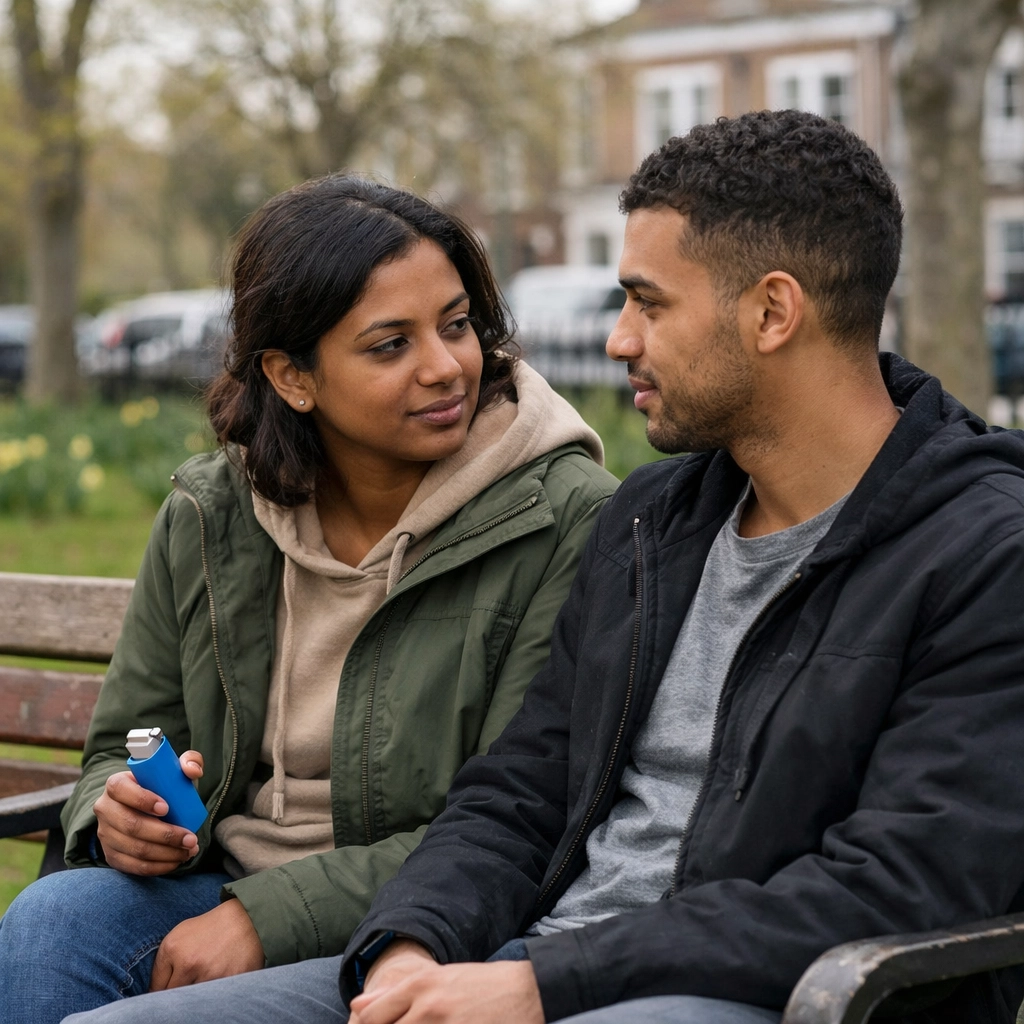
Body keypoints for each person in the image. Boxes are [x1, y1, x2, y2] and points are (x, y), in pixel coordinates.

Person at [63, 110, 1024, 1024]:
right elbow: (518, 792)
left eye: (648, 303)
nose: (619, 340)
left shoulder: (984, 554)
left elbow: (901, 883)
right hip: (521, 966)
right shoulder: (656, 524)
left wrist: (541, 984)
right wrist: (411, 942)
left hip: (743, 993)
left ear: (773, 311)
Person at [0, 175, 617, 1024]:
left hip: (430, 916)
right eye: (390, 345)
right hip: (220, 883)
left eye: (457, 325)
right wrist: (119, 812)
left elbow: (515, 815)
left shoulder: (563, 517)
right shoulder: (212, 512)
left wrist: (267, 919)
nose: (445, 367)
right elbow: (126, 740)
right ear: (292, 376)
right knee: (53, 923)